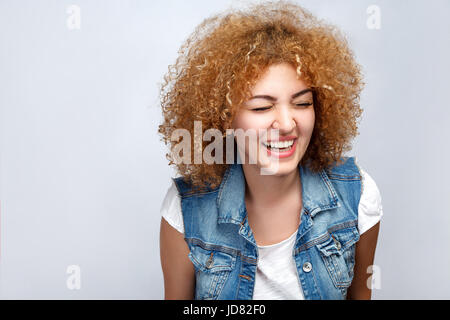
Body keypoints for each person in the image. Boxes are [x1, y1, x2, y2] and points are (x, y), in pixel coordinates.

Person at [158, 1, 382, 300]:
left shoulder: (357, 197)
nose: (288, 123)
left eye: (302, 103)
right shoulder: (186, 210)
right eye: (262, 106)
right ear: (225, 117)